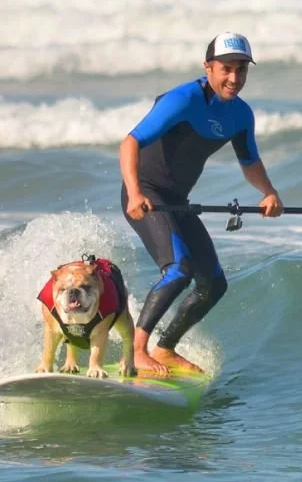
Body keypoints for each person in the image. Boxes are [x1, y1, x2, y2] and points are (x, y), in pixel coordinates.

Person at [119, 32, 283, 375]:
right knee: (178, 270)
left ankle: (165, 349)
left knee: (213, 284)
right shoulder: (183, 100)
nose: (234, 78)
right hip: (146, 195)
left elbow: (249, 161)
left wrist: (268, 192)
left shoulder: (241, 115)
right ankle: (136, 351)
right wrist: (134, 192)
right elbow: (130, 142)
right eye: (226, 69)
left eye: (241, 70)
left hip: (177, 202)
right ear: (208, 67)